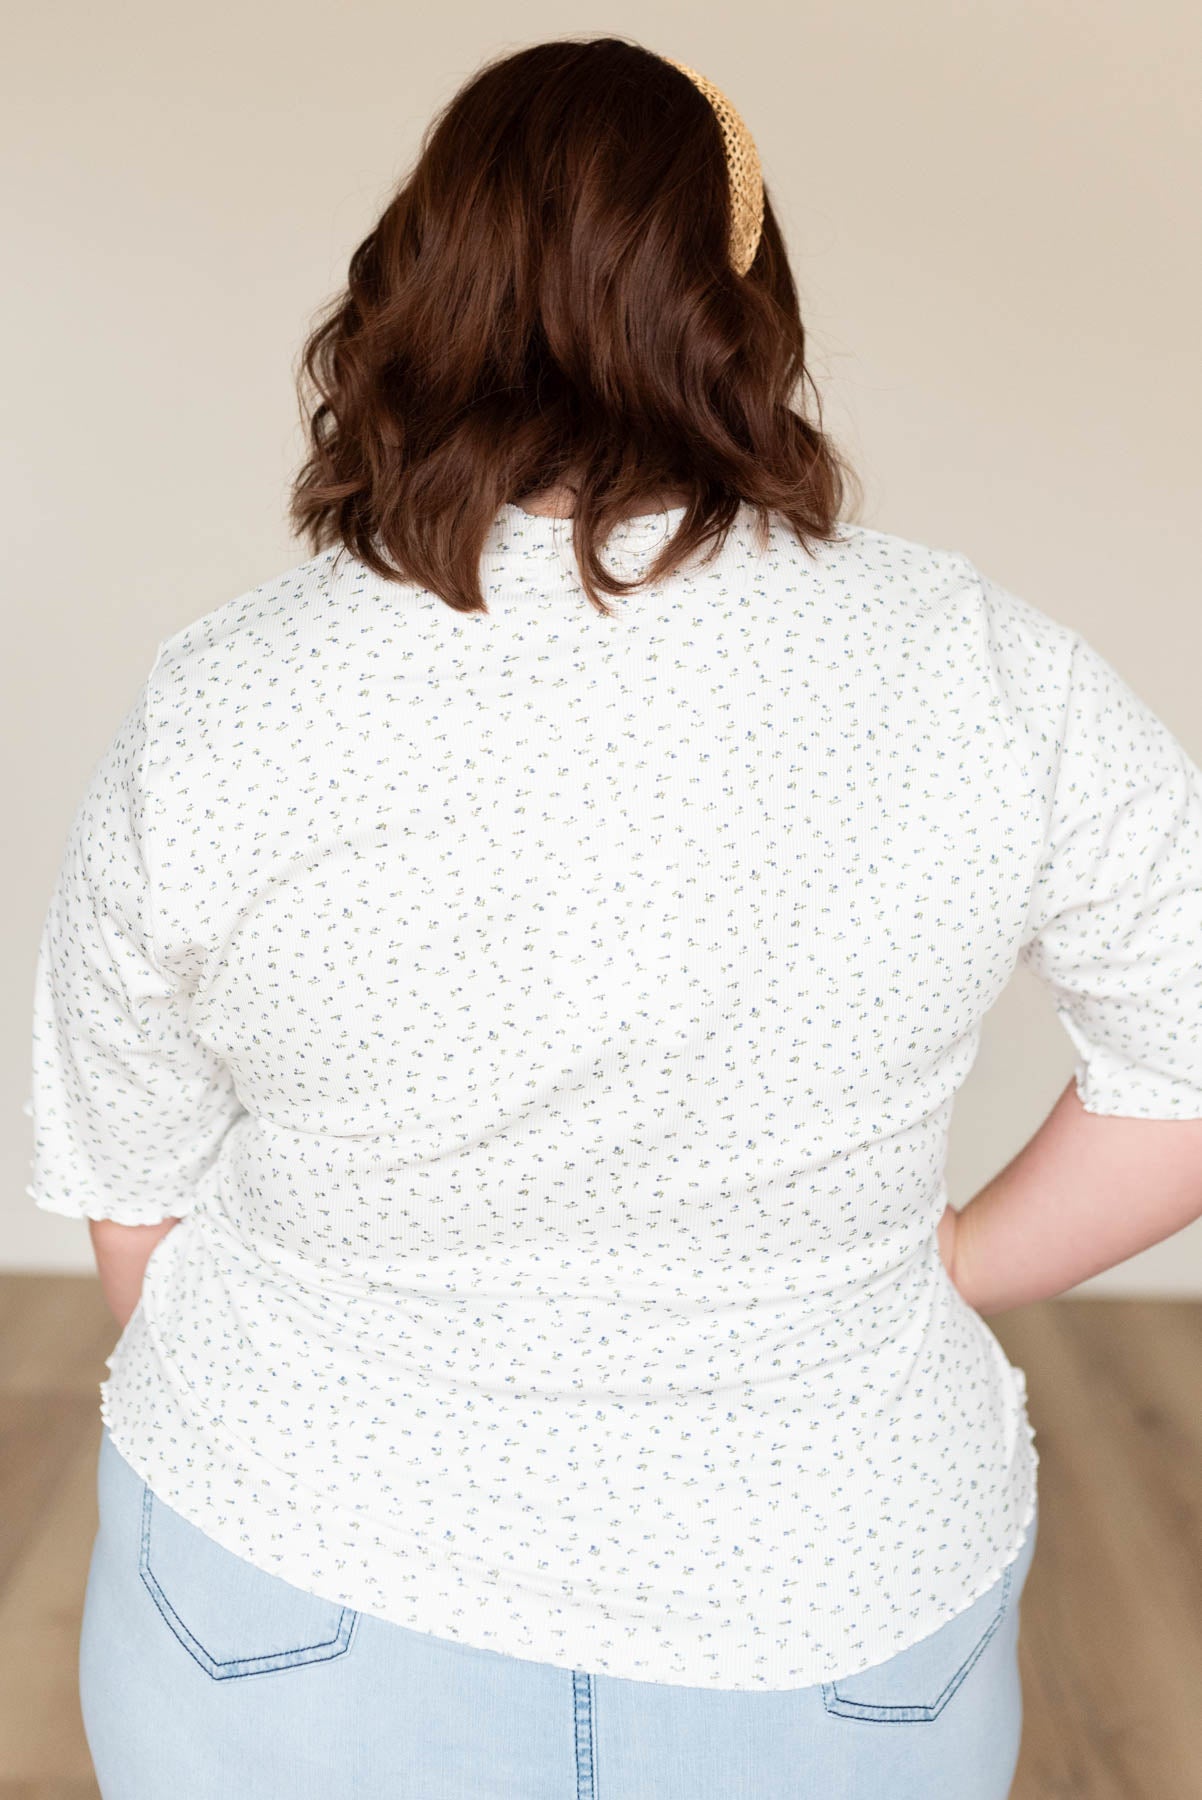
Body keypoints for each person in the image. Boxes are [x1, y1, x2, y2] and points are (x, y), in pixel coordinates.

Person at [24, 34, 1202, 1800]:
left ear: (417, 287)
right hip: (829, 1608)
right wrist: (954, 1264)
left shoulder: (227, 698)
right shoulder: (976, 668)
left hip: (299, 1597)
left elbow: (136, 1213)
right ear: (748, 312)